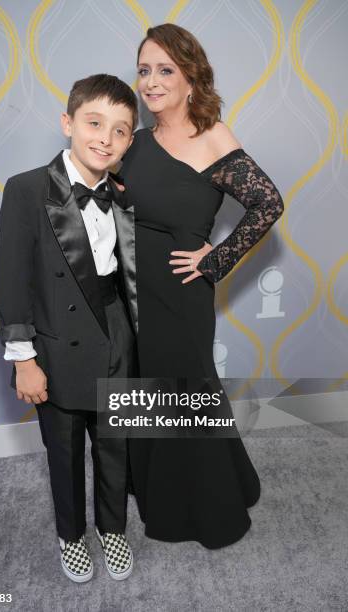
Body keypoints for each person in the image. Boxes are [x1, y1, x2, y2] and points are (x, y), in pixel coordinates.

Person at [119, 24, 285, 549]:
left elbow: (268, 203)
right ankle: (158, 489)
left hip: (178, 293)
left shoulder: (212, 136)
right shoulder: (135, 142)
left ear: (191, 78)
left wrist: (218, 258)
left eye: (165, 70)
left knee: (184, 394)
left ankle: (208, 512)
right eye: (144, 70)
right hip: (127, 292)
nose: (151, 81)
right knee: (144, 391)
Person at [0, 74, 138, 581]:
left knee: (115, 445)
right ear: (68, 123)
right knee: (64, 450)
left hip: (117, 335)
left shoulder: (125, 194)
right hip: (57, 346)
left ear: (130, 140)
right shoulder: (28, 189)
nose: (105, 138)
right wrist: (24, 361)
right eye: (94, 123)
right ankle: (71, 536)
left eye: (120, 130)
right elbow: (11, 283)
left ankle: (113, 528)